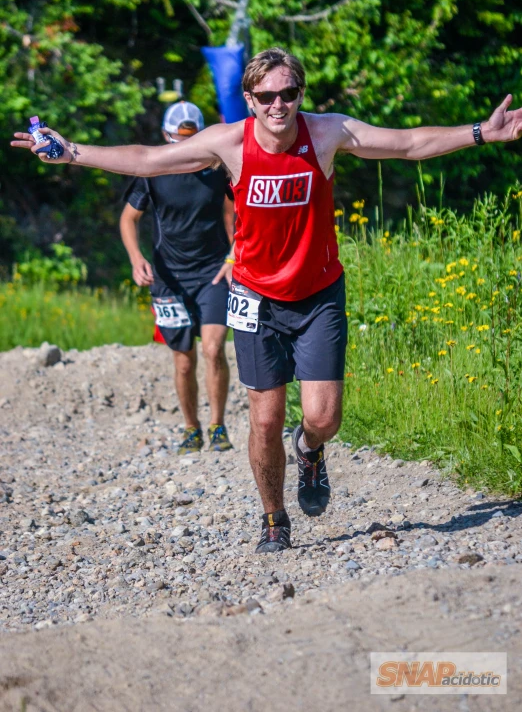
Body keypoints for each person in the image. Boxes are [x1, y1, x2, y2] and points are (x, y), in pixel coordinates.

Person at [12, 47, 522, 553]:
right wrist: (72, 150)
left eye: (289, 94)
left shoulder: (326, 133)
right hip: (254, 297)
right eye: (267, 96)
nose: (279, 105)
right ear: (249, 99)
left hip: (318, 293)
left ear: (300, 93)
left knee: (324, 418)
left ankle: (310, 450)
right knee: (264, 418)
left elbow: (408, 143)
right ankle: (274, 518)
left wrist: (481, 131)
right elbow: (149, 159)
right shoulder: (229, 144)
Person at [119, 101, 235, 455]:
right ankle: (191, 428)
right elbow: (128, 219)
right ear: (167, 137)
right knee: (183, 359)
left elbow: (238, 212)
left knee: (214, 349)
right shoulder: (152, 171)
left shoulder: (217, 169)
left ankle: (217, 425)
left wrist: (234, 256)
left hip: (213, 271)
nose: (183, 147)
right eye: (177, 140)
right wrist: (136, 258)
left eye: (190, 139)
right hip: (168, 278)